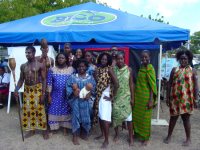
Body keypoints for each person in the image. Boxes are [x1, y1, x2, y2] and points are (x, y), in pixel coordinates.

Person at [164, 49, 199, 146]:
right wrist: (167, 97)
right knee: (173, 118)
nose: (183, 60)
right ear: (179, 59)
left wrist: (196, 99)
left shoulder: (193, 70)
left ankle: (188, 139)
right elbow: (169, 84)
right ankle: (169, 136)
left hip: (187, 100)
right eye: (182, 59)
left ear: (189, 59)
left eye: (185, 59)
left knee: (186, 119)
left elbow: (196, 86)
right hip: (175, 99)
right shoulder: (174, 70)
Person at [14, 46, 48, 139]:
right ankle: (32, 130)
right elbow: (21, 80)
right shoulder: (23, 66)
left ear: (33, 53)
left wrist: (43, 94)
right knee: (29, 111)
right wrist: (16, 89)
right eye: (26, 53)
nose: (27, 54)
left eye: (29, 52)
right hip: (27, 90)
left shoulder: (40, 65)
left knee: (40, 110)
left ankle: (44, 130)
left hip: (37, 90)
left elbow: (44, 80)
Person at [66, 59, 96, 145]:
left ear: (86, 67)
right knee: (75, 117)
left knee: (86, 116)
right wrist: (73, 92)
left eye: (83, 66)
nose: (81, 68)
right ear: (76, 67)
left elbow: (93, 89)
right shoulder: (73, 77)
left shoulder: (90, 77)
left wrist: (89, 93)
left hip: (86, 101)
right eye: (79, 66)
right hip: (75, 101)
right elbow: (68, 88)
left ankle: (84, 132)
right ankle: (75, 136)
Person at [93, 52, 118, 149]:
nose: (103, 60)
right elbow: (97, 82)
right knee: (100, 116)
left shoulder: (109, 70)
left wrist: (112, 97)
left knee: (105, 119)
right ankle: (102, 134)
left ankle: (106, 140)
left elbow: (116, 83)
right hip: (99, 95)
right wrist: (95, 74)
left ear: (108, 61)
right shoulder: (98, 69)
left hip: (105, 96)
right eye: (102, 59)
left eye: (105, 59)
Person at [133, 50, 157, 146]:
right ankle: (138, 134)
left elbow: (152, 85)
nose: (144, 59)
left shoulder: (150, 69)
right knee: (137, 116)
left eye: (146, 57)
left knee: (145, 118)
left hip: (147, 97)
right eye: (142, 57)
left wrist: (151, 99)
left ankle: (146, 138)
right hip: (139, 96)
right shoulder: (142, 67)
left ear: (149, 57)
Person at [47, 53, 74, 135]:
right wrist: (49, 96)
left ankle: (65, 128)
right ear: (57, 59)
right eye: (59, 58)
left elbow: (74, 81)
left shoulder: (71, 70)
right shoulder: (52, 70)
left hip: (66, 95)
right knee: (53, 110)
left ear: (66, 59)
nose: (61, 59)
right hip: (54, 94)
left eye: (62, 58)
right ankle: (54, 128)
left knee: (65, 110)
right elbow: (49, 83)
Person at [112, 52, 134, 146]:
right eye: (118, 59)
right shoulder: (113, 70)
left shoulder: (129, 69)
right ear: (115, 60)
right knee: (116, 116)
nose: (120, 60)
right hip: (116, 97)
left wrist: (133, 98)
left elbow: (131, 84)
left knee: (129, 118)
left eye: (121, 59)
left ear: (124, 59)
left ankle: (130, 137)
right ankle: (117, 134)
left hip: (126, 97)